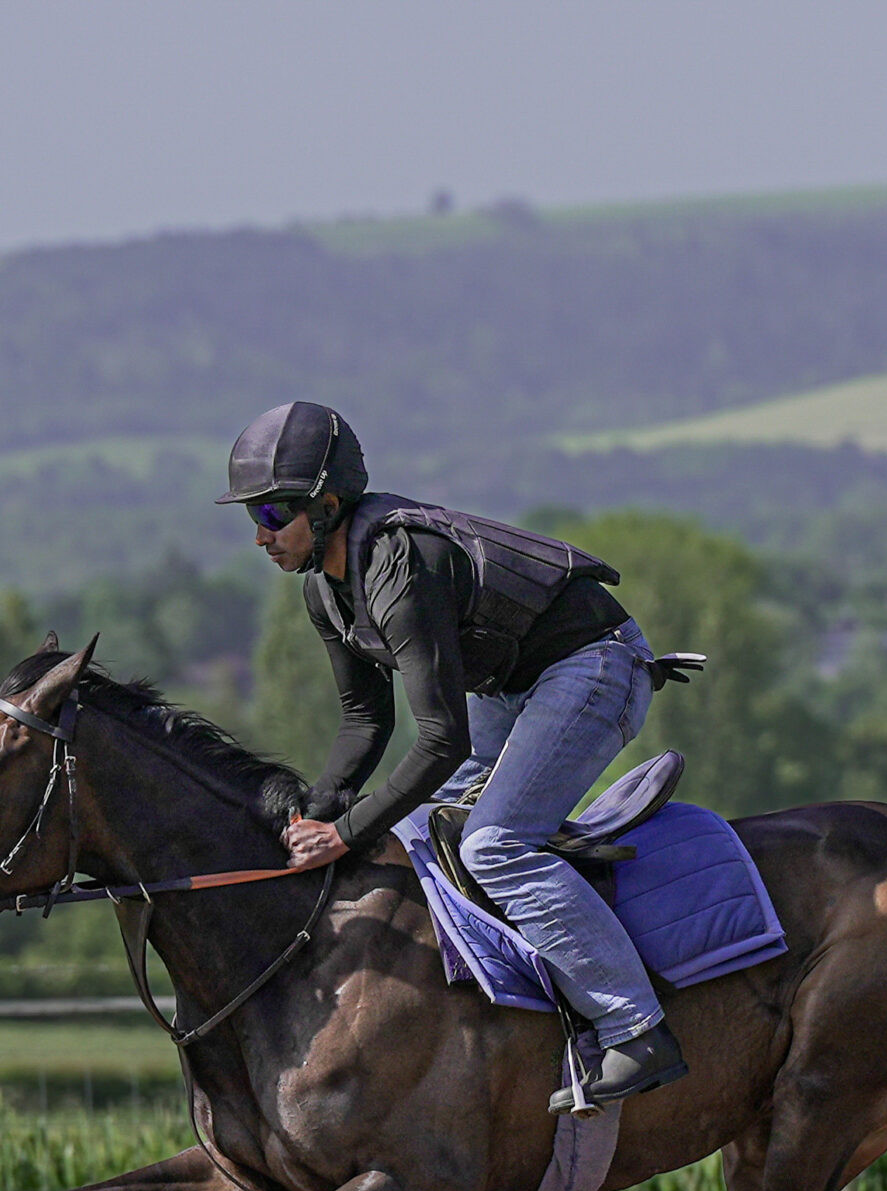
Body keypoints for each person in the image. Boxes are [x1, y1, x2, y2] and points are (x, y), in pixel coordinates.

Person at [219, 400, 687, 1110]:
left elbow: (442, 740)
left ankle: (634, 1028)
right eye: (253, 517)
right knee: (410, 838)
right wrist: (313, 818)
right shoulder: (326, 590)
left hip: (594, 666)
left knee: (495, 845)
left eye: (274, 516)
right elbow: (361, 718)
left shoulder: (402, 571)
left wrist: (345, 833)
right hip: (513, 686)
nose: (260, 537)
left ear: (328, 506)